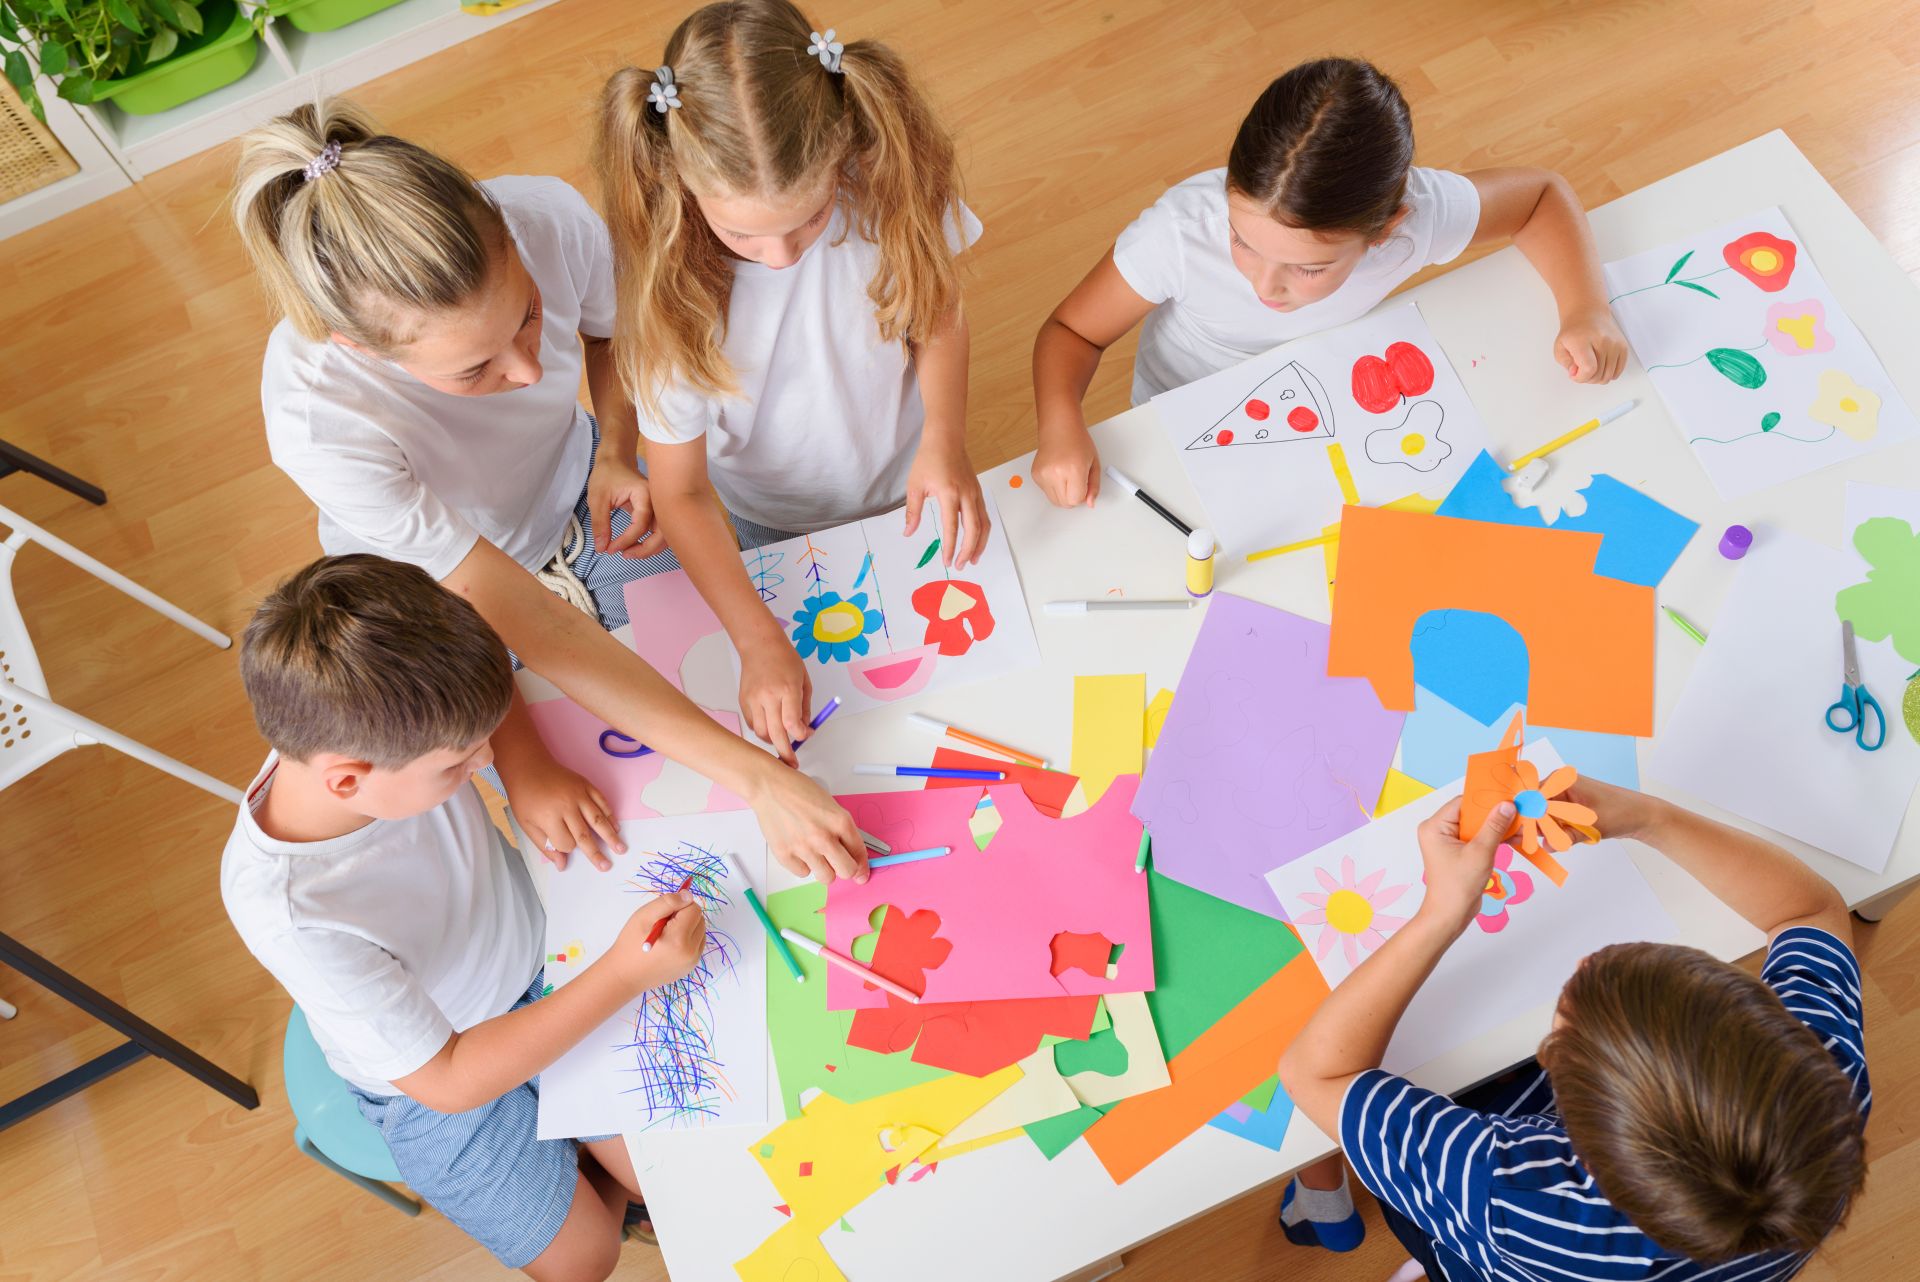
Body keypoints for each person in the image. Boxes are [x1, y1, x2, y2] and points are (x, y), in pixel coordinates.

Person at [231, 99, 864, 883]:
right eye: (475, 369)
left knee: (776, 626)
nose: (530, 373)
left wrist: (616, 450)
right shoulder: (317, 420)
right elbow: (516, 622)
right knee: (628, 810)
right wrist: (521, 755)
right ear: (359, 349)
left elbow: (610, 331)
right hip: (435, 605)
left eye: (528, 315)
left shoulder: (542, 216)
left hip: (580, 493)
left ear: (503, 225)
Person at [221, 556, 707, 1280]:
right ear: (348, 780)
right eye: (457, 765)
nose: (483, 760)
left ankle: (591, 1169)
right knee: (583, 1261)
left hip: (539, 965)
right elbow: (448, 1080)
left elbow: (479, 650)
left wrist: (528, 770)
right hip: (434, 1074)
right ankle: (584, 1177)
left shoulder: (381, 716)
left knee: (670, 1179)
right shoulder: (292, 912)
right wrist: (624, 976)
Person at [1277, 779, 1869, 1282]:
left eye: (1568, 1017)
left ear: (1568, 1111)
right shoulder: (1819, 1095)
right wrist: (1648, 817)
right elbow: (1810, 912)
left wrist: (1442, 911)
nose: (1590, 960)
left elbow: (1315, 1072)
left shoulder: (1512, 1195)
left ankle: (1363, 1227)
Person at [595, 0, 984, 759]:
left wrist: (945, 434)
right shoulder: (667, 301)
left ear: (841, 157)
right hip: (770, 516)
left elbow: (936, 313)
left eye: (807, 220)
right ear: (680, 182)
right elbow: (680, 490)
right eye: (742, 233)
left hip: (908, 475)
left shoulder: (886, 187)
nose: (780, 256)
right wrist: (755, 639)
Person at [1032, 56, 1629, 508]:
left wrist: (1586, 310)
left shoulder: (1415, 220)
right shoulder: (1177, 234)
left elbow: (1542, 197)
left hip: (1338, 405)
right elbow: (1070, 331)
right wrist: (1061, 423)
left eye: (1308, 268)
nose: (1265, 285)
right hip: (1186, 411)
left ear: (1382, 232)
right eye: (1242, 242)